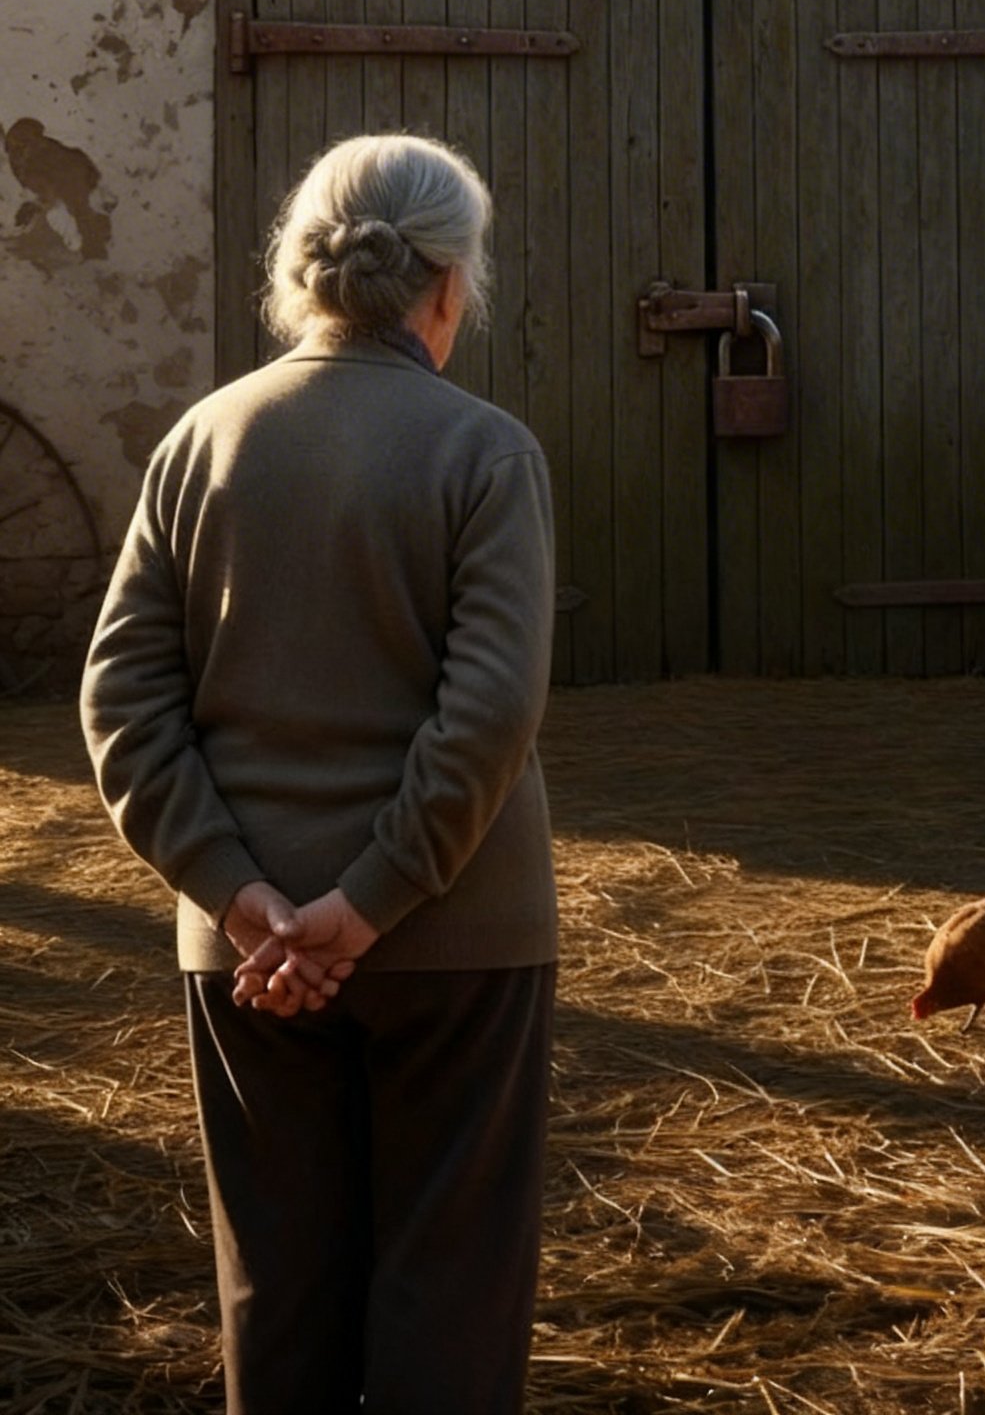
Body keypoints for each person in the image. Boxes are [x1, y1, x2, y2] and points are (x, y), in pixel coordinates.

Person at [80, 132, 559, 1415]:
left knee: (277, 1286)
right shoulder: (485, 451)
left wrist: (244, 898)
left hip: (246, 957)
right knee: (450, 1288)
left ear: (303, 270)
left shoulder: (201, 441)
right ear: (447, 284)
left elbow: (121, 700)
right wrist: (371, 900)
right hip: (459, 942)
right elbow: (490, 713)